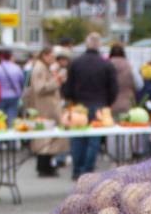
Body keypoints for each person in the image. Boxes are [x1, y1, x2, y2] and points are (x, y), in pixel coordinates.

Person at [62, 32, 117, 179]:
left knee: (77, 139)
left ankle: (77, 170)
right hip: (99, 104)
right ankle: (87, 170)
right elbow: (113, 88)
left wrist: (71, 99)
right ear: (99, 45)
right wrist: (107, 103)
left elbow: (68, 86)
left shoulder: (75, 63)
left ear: (86, 44)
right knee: (93, 140)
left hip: (79, 105)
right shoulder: (106, 64)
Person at [27, 47, 66, 177]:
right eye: (52, 56)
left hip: (46, 107)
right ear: (45, 55)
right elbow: (40, 88)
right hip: (44, 107)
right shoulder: (39, 68)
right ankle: (44, 167)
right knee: (45, 138)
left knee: (48, 138)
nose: (53, 59)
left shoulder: (43, 67)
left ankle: (46, 165)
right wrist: (56, 81)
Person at [0, 51, 25, 122]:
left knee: (0, 118)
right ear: (11, 57)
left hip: (0, 96)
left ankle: (2, 127)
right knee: (12, 117)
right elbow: (22, 81)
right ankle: (10, 127)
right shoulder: (17, 68)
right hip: (14, 95)